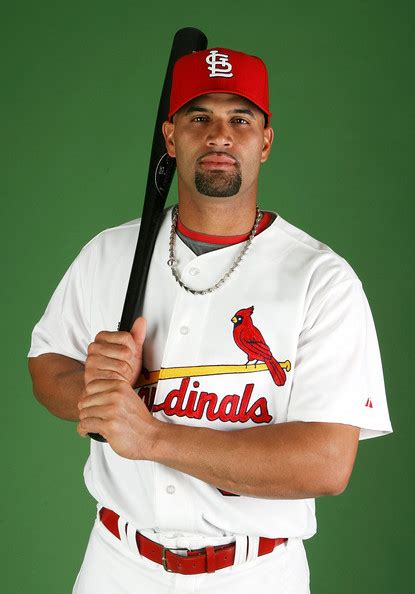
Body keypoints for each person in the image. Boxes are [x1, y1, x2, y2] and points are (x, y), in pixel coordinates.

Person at [28, 47, 393, 594]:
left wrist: (150, 436)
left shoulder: (321, 278)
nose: (219, 135)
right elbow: (45, 364)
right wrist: (93, 388)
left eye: (239, 120)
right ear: (171, 138)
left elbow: (325, 464)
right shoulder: (109, 253)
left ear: (264, 142)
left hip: (255, 573)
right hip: (115, 562)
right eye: (200, 118)